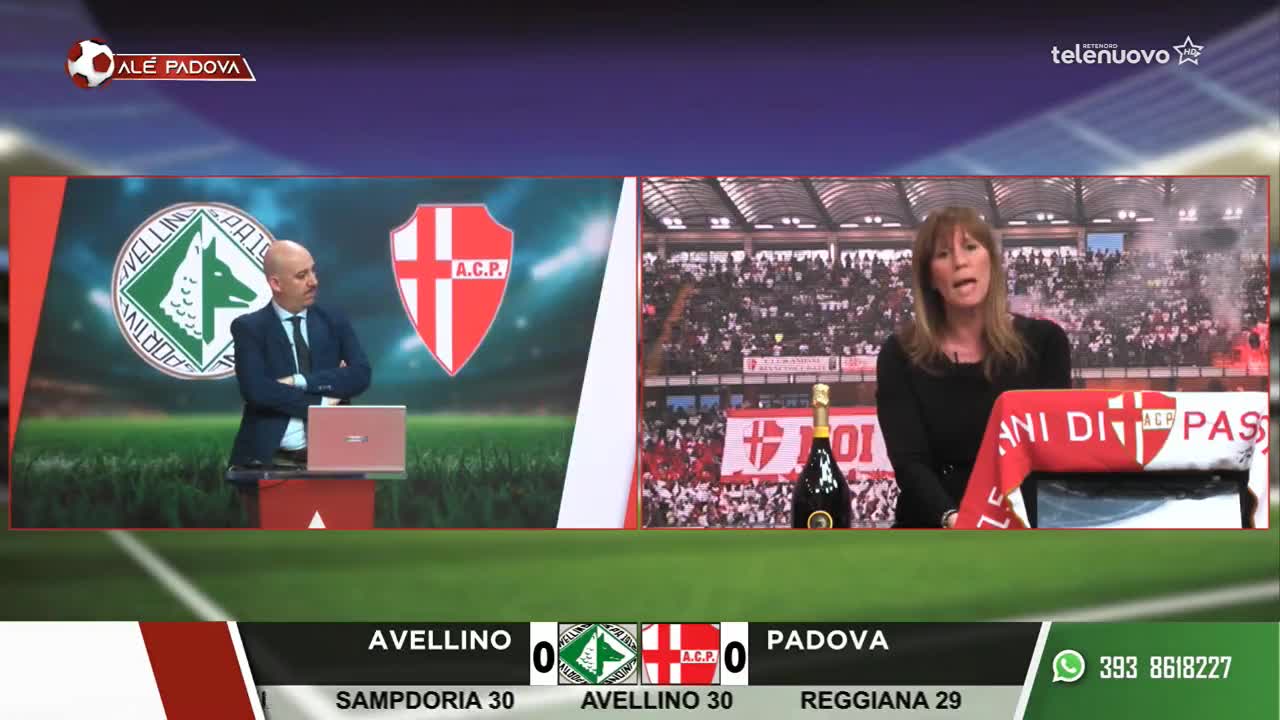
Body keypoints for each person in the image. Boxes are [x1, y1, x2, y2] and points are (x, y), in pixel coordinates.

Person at [876, 208, 1071, 528]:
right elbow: (910, 462)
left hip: (1019, 528)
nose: (960, 262)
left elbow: (1052, 452)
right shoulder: (900, 354)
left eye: (970, 247)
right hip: (933, 528)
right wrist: (954, 519)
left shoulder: (1045, 343)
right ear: (929, 277)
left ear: (991, 261)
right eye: (943, 254)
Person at [228, 240, 372, 470]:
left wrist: (299, 381)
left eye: (313, 271)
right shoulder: (249, 328)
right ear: (276, 283)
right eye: (301, 275)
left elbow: (361, 375)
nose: (313, 281)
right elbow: (256, 390)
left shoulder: (334, 319)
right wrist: (322, 403)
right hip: (269, 458)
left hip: (334, 452)